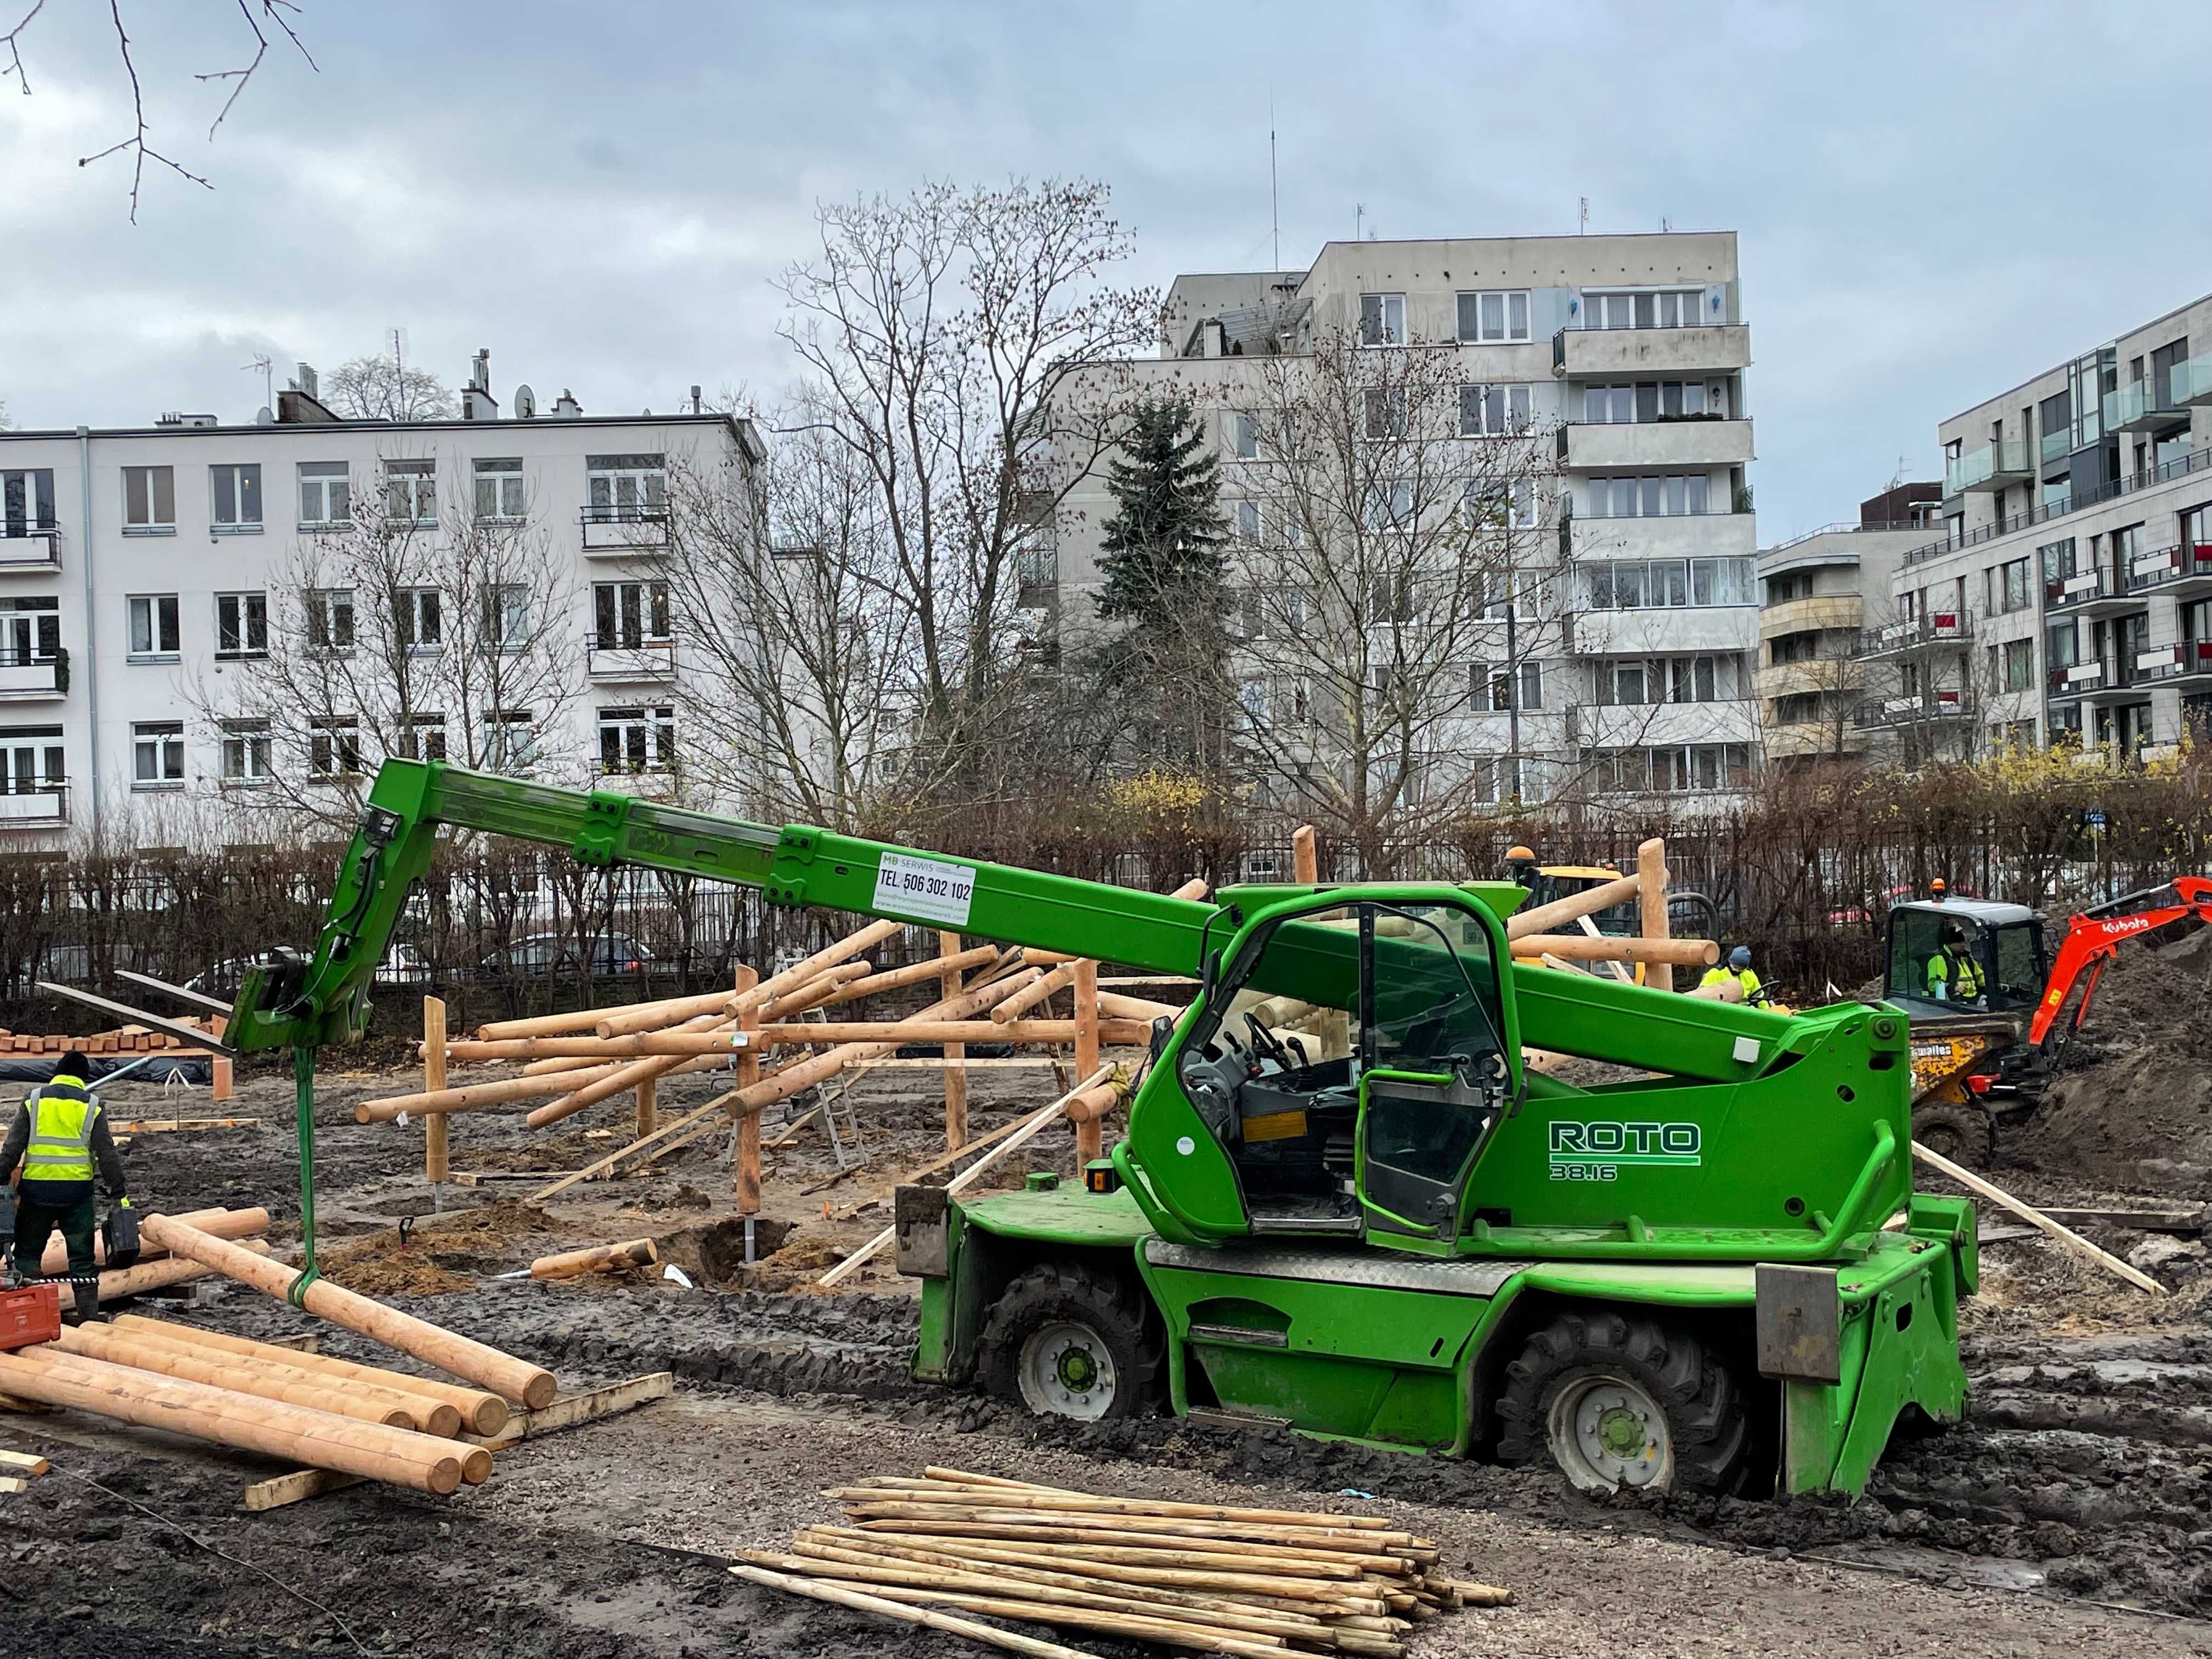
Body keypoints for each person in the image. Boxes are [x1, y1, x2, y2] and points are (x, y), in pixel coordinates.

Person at [2, 1051, 130, 1318]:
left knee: (26, 1255)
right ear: (83, 1078)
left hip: (36, 1192)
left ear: (57, 1072)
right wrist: (119, 1191)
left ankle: (27, 1318)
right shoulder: (92, 1105)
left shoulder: (34, 1100)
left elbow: (13, 1148)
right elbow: (106, 1152)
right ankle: (88, 1319)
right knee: (82, 1259)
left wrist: (1, 1178)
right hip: (77, 1195)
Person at [1926, 921, 1986, 1003]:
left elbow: (1980, 977)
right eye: (1959, 942)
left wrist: (1995, 985)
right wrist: (1955, 988)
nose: (1963, 945)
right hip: (1956, 1001)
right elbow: (1933, 985)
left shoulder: (1967, 958)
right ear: (1949, 944)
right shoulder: (1940, 959)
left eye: (1964, 942)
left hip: (1974, 997)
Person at [1701, 945, 1767, 1006]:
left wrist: (1767, 1011)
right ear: (1730, 961)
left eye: (1741, 969)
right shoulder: (1716, 973)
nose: (1737, 971)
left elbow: (1760, 997)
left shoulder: (1749, 974)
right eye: (1735, 967)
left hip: (1746, 1010)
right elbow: (1701, 994)